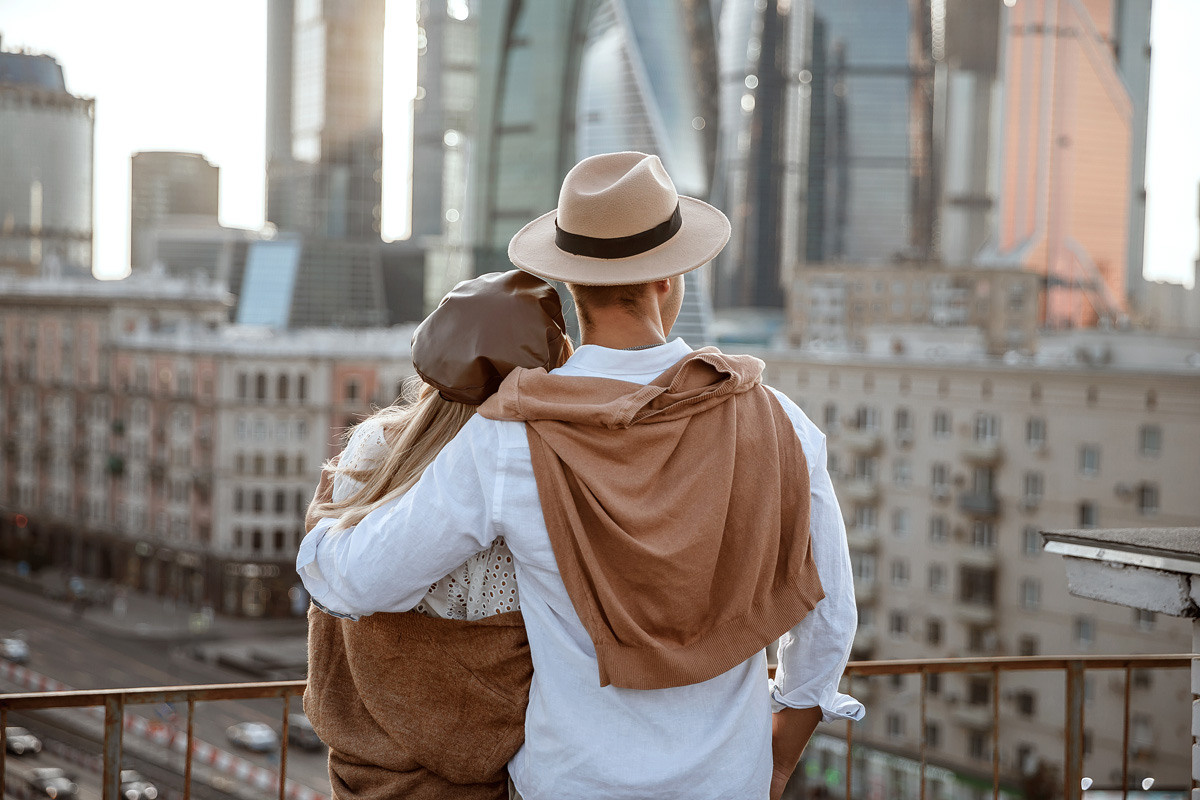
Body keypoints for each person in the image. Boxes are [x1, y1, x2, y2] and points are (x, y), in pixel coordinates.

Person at [299, 151, 863, 800]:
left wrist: (327, 524)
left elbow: (361, 582)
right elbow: (830, 618)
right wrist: (776, 760)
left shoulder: (513, 434)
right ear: (670, 277)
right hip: (730, 785)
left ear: (571, 284)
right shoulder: (782, 423)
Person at [301, 270, 572, 800]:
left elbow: (332, 594)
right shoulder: (533, 478)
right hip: (478, 779)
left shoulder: (370, 450)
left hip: (360, 769)